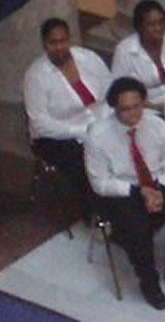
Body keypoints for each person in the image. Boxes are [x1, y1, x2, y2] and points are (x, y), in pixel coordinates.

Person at [85, 78, 165, 311]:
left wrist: (161, 189)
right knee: (137, 229)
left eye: (138, 106)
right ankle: (149, 282)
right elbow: (100, 182)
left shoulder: (157, 125)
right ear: (114, 109)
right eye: (126, 109)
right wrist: (137, 192)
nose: (134, 114)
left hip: (158, 183)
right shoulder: (97, 137)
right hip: (122, 191)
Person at [24, 18, 111, 220]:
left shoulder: (87, 58)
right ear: (44, 44)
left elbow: (110, 88)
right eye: (53, 43)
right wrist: (80, 132)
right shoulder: (36, 76)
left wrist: (104, 119)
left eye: (63, 41)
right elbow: (40, 123)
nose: (60, 47)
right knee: (82, 161)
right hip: (57, 135)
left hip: (98, 120)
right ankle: (94, 212)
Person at [111, 0, 165, 112]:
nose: (158, 28)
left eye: (161, 22)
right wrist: (153, 107)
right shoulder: (124, 51)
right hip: (146, 110)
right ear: (139, 27)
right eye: (151, 24)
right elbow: (120, 90)